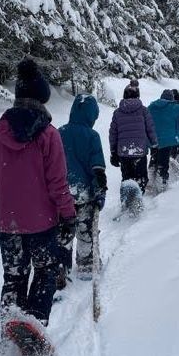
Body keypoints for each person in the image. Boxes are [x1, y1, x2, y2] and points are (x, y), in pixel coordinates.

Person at [0, 58, 76, 339]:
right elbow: (58, 182)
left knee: (13, 277)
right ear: (42, 99)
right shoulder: (48, 134)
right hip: (42, 222)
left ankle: (11, 329)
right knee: (45, 272)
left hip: (7, 222)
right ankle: (33, 328)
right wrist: (68, 214)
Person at [58, 94, 107, 282]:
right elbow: (97, 168)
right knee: (86, 231)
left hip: (63, 194)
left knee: (63, 231)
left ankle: (60, 267)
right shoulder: (92, 136)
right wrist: (100, 192)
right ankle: (86, 264)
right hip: (85, 194)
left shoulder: (59, 132)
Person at [109, 84, 157, 195]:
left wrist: (113, 152)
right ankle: (138, 200)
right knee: (141, 177)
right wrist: (154, 145)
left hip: (124, 152)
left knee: (126, 178)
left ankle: (127, 201)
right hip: (139, 150)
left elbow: (113, 134)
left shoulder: (117, 113)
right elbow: (150, 129)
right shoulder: (144, 111)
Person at [147, 89, 179, 186]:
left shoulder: (151, 107)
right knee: (163, 162)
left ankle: (150, 178)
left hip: (153, 139)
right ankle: (162, 182)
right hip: (166, 140)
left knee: (154, 158)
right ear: (171, 98)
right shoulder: (172, 107)